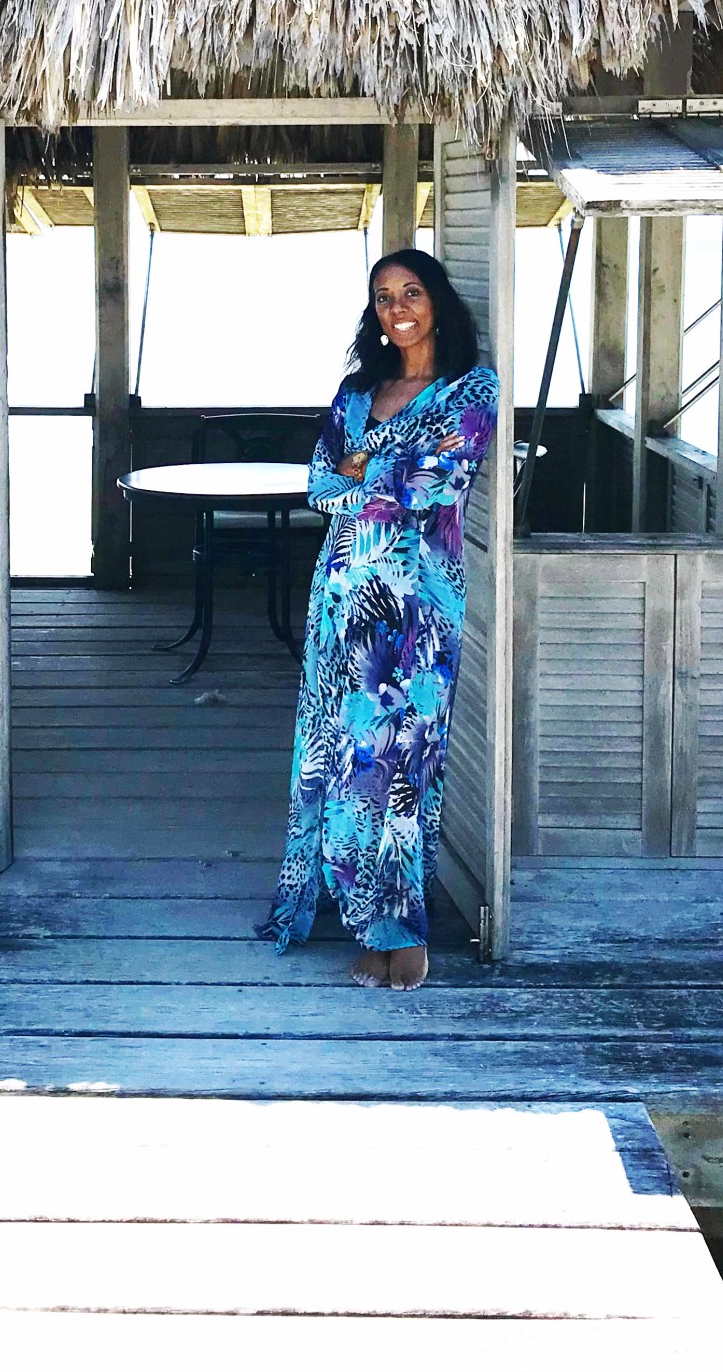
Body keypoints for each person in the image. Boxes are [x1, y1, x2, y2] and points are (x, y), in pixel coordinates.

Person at [257, 248, 499, 989]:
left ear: (438, 302)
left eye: (412, 292)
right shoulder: (358, 392)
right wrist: (390, 467)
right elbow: (319, 488)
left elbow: (437, 485)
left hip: (417, 609)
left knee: (399, 766)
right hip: (340, 599)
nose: (398, 307)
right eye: (384, 296)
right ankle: (358, 914)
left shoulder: (473, 388)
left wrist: (366, 468)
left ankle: (401, 930)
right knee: (334, 758)